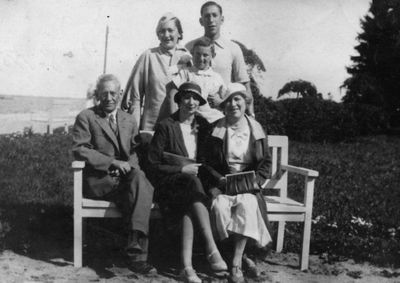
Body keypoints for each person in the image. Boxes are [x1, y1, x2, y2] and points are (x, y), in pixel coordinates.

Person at [72, 74, 157, 275]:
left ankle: (134, 246)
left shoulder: (128, 119)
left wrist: (130, 165)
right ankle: (136, 254)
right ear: (97, 95)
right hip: (101, 181)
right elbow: (80, 149)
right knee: (141, 189)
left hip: (126, 179)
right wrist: (112, 163)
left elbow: (135, 150)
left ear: (120, 94)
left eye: (113, 93)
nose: (109, 98)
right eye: (104, 93)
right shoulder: (87, 117)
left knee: (141, 181)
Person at [147, 82, 228, 283]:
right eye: (186, 97)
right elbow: (152, 165)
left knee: (190, 201)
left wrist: (217, 180)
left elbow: (209, 161)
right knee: (190, 185)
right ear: (179, 100)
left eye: (195, 99)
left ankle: (187, 268)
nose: (191, 102)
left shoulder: (204, 127)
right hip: (168, 185)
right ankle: (211, 248)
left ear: (200, 102)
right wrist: (180, 169)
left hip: (194, 188)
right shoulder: (166, 126)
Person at [201, 83, 272, 283]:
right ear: (223, 106)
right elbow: (205, 164)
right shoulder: (215, 130)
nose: (233, 104)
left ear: (245, 101)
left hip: (248, 185)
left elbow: (266, 162)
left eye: (238, 99)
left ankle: (236, 263)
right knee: (219, 207)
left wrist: (256, 181)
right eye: (229, 101)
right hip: (223, 184)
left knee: (247, 205)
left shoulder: (257, 129)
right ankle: (238, 255)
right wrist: (219, 179)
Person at [121, 12, 192, 131]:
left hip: (181, 127)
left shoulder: (188, 58)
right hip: (152, 127)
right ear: (157, 35)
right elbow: (135, 97)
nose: (166, 35)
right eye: (162, 31)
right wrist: (134, 131)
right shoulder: (148, 56)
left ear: (179, 33)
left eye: (170, 30)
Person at [185, 1, 254, 116]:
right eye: (207, 16)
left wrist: (251, 115)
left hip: (225, 115)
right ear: (201, 21)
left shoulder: (233, 48)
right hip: (193, 115)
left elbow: (245, 87)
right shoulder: (189, 48)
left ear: (222, 19)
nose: (211, 20)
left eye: (214, 15)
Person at [168, 37, 226, 123]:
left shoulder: (217, 77)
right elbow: (172, 94)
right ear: (192, 53)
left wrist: (220, 102)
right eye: (198, 54)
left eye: (205, 55)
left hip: (213, 120)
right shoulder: (186, 73)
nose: (201, 58)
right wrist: (175, 120)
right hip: (190, 119)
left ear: (212, 56)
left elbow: (225, 100)